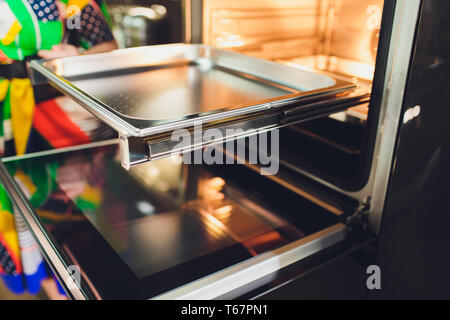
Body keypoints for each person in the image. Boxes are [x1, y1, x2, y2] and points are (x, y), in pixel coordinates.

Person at [0, 0, 117, 296]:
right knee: (15, 211)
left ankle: (68, 288)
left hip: (59, 126)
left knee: (68, 224)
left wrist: (78, 55)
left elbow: (108, 46)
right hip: (6, 124)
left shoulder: (71, 3)